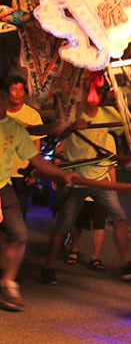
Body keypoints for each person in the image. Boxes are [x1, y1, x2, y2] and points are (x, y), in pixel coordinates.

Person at [43, 74, 131, 285]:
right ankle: (49, 267)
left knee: (119, 217)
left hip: (100, 178)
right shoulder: (72, 112)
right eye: (87, 90)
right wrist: (69, 128)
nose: (91, 96)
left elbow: (128, 129)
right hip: (75, 179)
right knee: (64, 224)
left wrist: (124, 105)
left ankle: (126, 262)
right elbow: (56, 136)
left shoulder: (108, 113)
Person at [0, 77, 74, 310]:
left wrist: (62, 175)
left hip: (5, 186)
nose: (1, 101)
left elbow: (37, 160)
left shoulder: (14, 128)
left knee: (19, 234)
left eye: (3, 97)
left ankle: (8, 282)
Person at [6, 76, 42, 216]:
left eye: (21, 89)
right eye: (14, 89)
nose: (18, 93)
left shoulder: (32, 115)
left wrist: (33, 169)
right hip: (3, 173)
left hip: (22, 172)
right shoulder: (3, 113)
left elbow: (36, 144)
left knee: (19, 212)